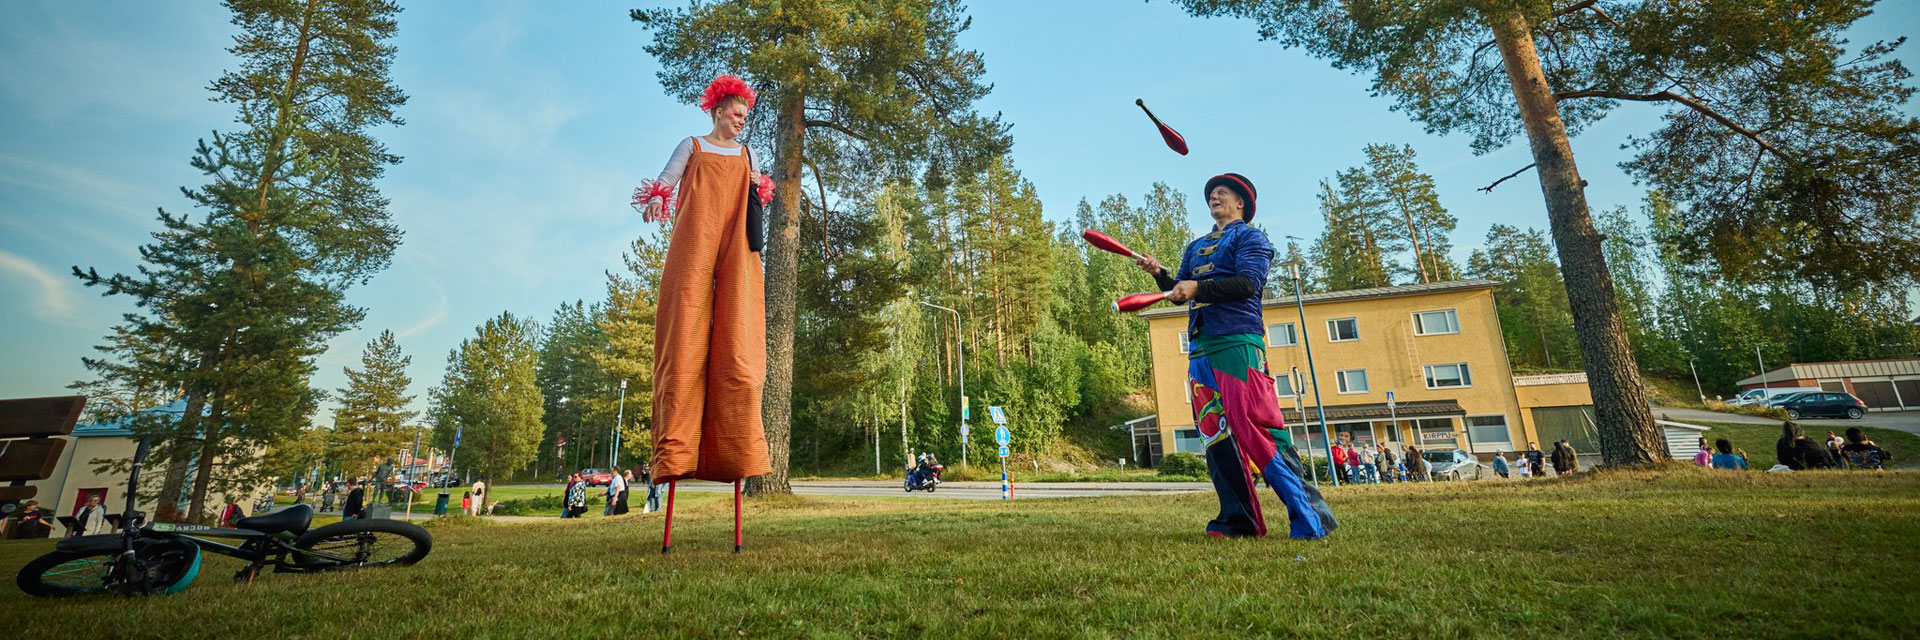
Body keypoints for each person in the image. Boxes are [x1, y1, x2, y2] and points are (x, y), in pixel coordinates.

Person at [1132, 171, 1334, 539]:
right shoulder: (1195, 247)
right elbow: (1180, 288)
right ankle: (1238, 522)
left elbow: (1248, 283)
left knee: (1256, 428)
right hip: (1201, 346)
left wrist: (1198, 286)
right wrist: (1159, 273)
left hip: (1238, 341)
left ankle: (1311, 517)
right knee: (1215, 434)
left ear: (1241, 202)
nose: (1214, 196)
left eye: (1222, 192)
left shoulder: (1252, 237)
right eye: (1211, 193)